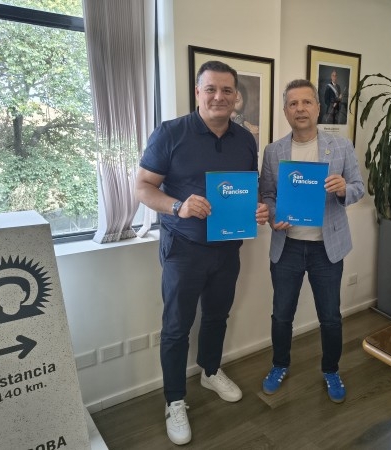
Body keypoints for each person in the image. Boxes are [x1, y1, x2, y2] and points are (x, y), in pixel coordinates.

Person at [135, 60, 270, 446]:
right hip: (184, 249)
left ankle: (210, 371)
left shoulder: (245, 139)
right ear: (198, 93)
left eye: (227, 90)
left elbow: (247, 189)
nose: (219, 97)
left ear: (236, 96)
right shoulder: (171, 133)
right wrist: (178, 206)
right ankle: (175, 400)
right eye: (211, 89)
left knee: (216, 316)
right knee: (177, 327)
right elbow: (142, 187)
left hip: (228, 248)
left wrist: (257, 209)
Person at [259, 79, 364, 403]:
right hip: (287, 246)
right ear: (285, 111)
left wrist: (344, 189)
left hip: (327, 249)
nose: (300, 109)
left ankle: (331, 369)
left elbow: (359, 187)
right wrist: (273, 215)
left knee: (330, 316)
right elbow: (267, 194)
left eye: (306, 102)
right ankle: (279, 364)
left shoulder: (341, 146)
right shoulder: (273, 151)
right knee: (281, 315)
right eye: (293, 103)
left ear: (318, 108)